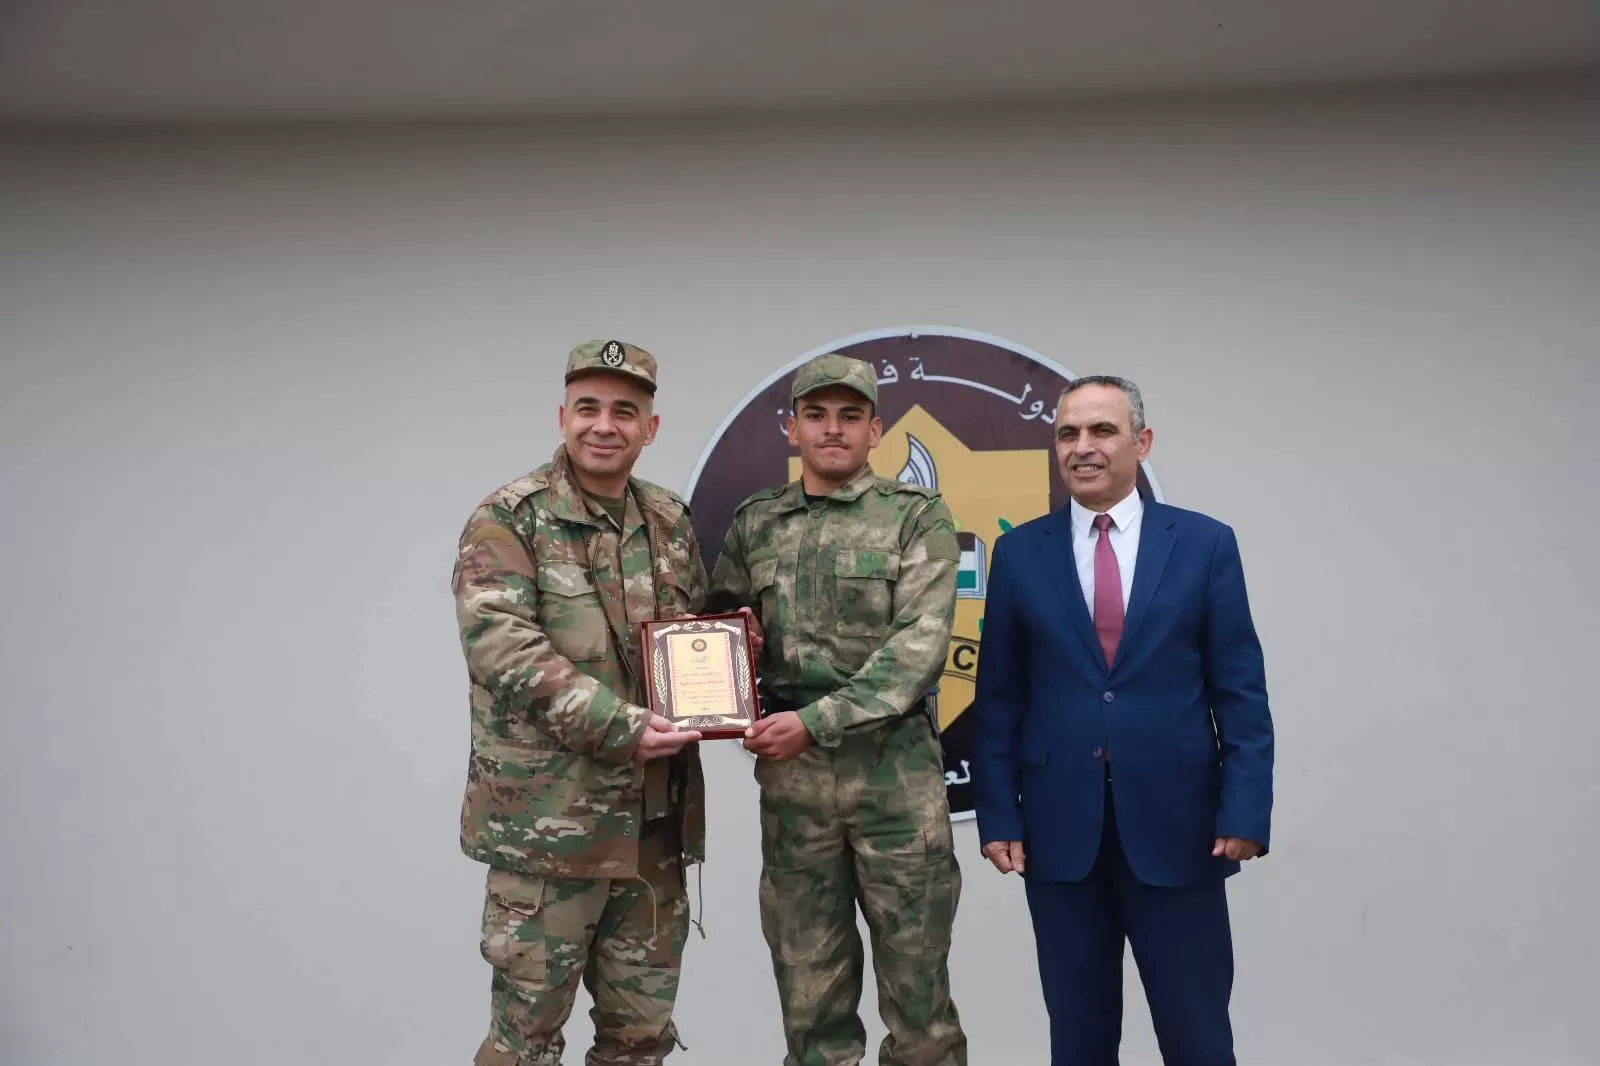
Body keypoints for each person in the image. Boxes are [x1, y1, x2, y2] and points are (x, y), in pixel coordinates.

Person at [972, 375, 1274, 1066]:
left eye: (1102, 431)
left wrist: (1245, 809)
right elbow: (999, 701)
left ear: (1142, 442)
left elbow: (1241, 694)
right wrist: (999, 815)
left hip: (1182, 829)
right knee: (1079, 1038)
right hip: (1058, 834)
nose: (1083, 447)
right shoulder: (1020, 552)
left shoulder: (1204, 544)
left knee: (1197, 1036)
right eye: (1068, 433)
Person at [706, 353, 968, 1066]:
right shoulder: (757, 523)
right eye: (816, 415)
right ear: (791, 429)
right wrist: (736, 655)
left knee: (918, 995)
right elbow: (717, 632)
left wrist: (814, 723)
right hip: (796, 792)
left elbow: (917, 651)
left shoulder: (916, 516)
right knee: (809, 991)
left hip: (895, 781)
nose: (832, 430)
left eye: (850, 417)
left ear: (875, 431)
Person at [451, 339, 708, 1066]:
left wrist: (733, 668)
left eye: (624, 411)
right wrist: (621, 727)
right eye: (588, 408)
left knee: (639, 1043)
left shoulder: (669, 520)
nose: (604, 425)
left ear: (650, 428)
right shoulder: (509, 519)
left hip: (651, 835)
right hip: (550, 834)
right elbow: (501, 647)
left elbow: (693, 637)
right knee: (524, 1045)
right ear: (562, 417)